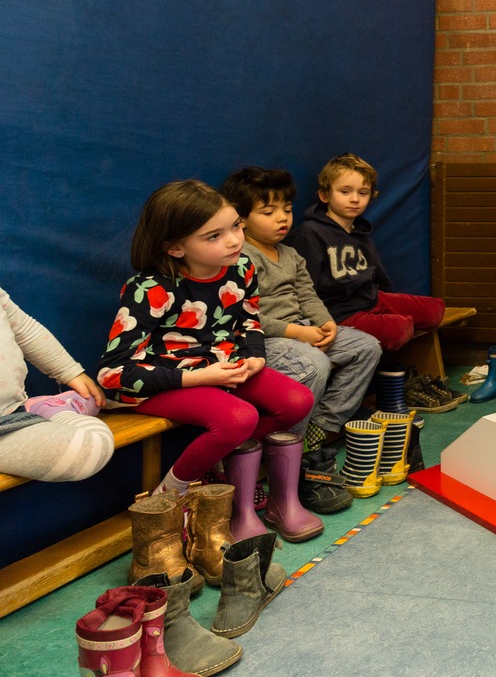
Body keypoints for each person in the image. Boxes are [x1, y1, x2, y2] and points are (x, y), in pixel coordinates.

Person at [96, 180, 322, 540]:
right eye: (214, 236)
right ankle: (169, 498)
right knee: (239, 418)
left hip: (219, 365)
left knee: (297, 400)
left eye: (236, 226)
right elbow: (113, 373)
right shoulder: (151, 288)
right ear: (175, 248)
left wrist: (255, 358)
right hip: (164, 377)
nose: (234, 239)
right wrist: (200, 378)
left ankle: (229, 482)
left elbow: (249, 320)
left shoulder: (242, 266)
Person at [221, 167, 382, 452]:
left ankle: (320, 426)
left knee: (367, 346)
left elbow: (307, 295)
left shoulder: (291, 254)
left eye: (286, 209)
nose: (282, 218)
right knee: (313, 364)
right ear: (241, 219)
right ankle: (285, 447)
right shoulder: (240, 257)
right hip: (262, 340)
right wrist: (297, 332)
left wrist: (325, 322)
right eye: (269, 212)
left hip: (301, 328)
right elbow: (243, 316)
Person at [284, 153, 453, 409]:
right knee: (400, 329)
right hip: (341, 312)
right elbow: (306, 289)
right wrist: (320, 322)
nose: (354, 199)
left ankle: (404, 371)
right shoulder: (310, 233)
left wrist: (389, 302)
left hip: (372, 299)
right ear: (324, 195)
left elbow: (378, 276)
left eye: (362, 193)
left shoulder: (360, 232)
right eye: (345, 191)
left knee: (435, 309)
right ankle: (398, 380)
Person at [0, 287, 114, 481]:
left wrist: (68, 371)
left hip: (8, 416)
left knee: (90, 447)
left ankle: (48, 409)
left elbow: (24, 329)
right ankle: (48, 410)